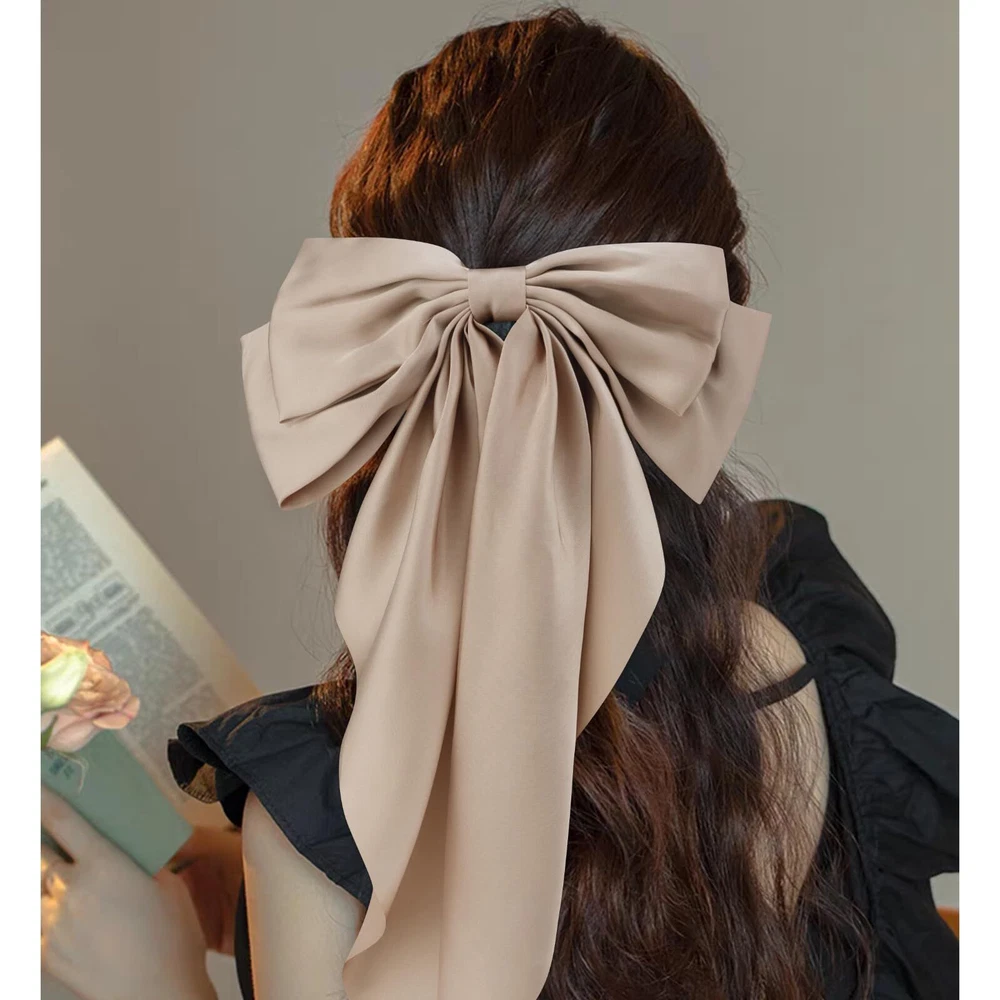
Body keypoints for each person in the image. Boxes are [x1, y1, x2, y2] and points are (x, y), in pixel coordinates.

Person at [40, 9, 958, 1000]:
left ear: (376, 376)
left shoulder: (308, 813)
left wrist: (162, 983)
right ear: (701, 339)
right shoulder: (796, 657)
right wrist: (237, 884)